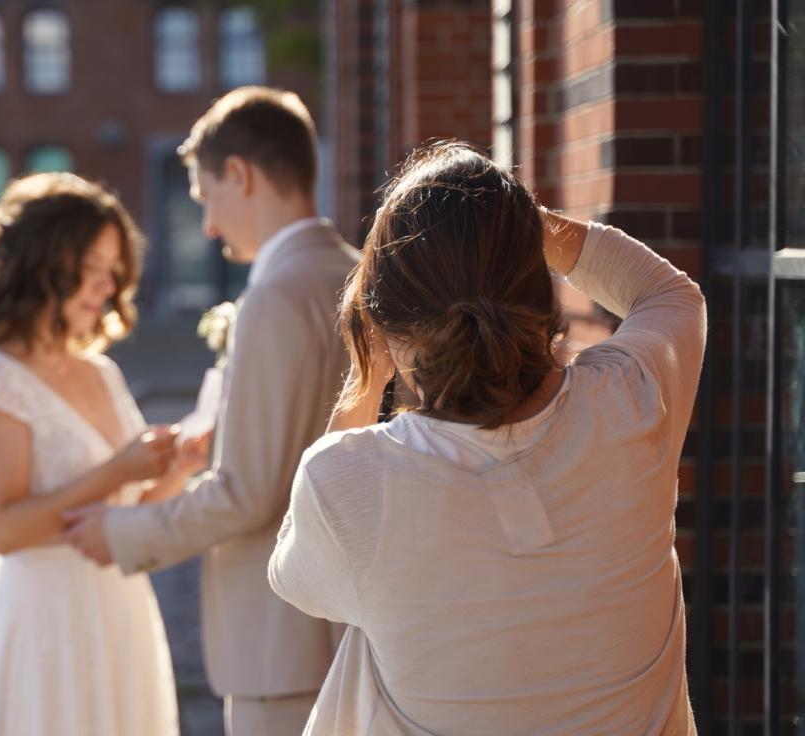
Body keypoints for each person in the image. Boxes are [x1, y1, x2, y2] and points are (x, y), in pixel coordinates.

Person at [269, 141, 703, 734]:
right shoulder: (631, 402)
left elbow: (294, 577)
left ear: (385, 327)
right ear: (539, 287)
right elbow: (670, 293)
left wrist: (366, 381)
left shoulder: (346, 482)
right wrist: (513, 218)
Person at [63, 87, 359, 736]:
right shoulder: (360, 274)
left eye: (206, 197)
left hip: (281, 646)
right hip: (354, 626)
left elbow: (247, 494)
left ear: (240, 175)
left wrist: (121, 531)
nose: (209, 227)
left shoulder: (275, 297)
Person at [0, 173, 210, 736]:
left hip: (119, 611)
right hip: (44, 624)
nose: (106, 285)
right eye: (92, 267)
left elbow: (134, 505)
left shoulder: (100, 371)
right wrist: (117, 470)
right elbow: (3, 530)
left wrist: (182, 465)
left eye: (113, 269)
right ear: (42, 264)